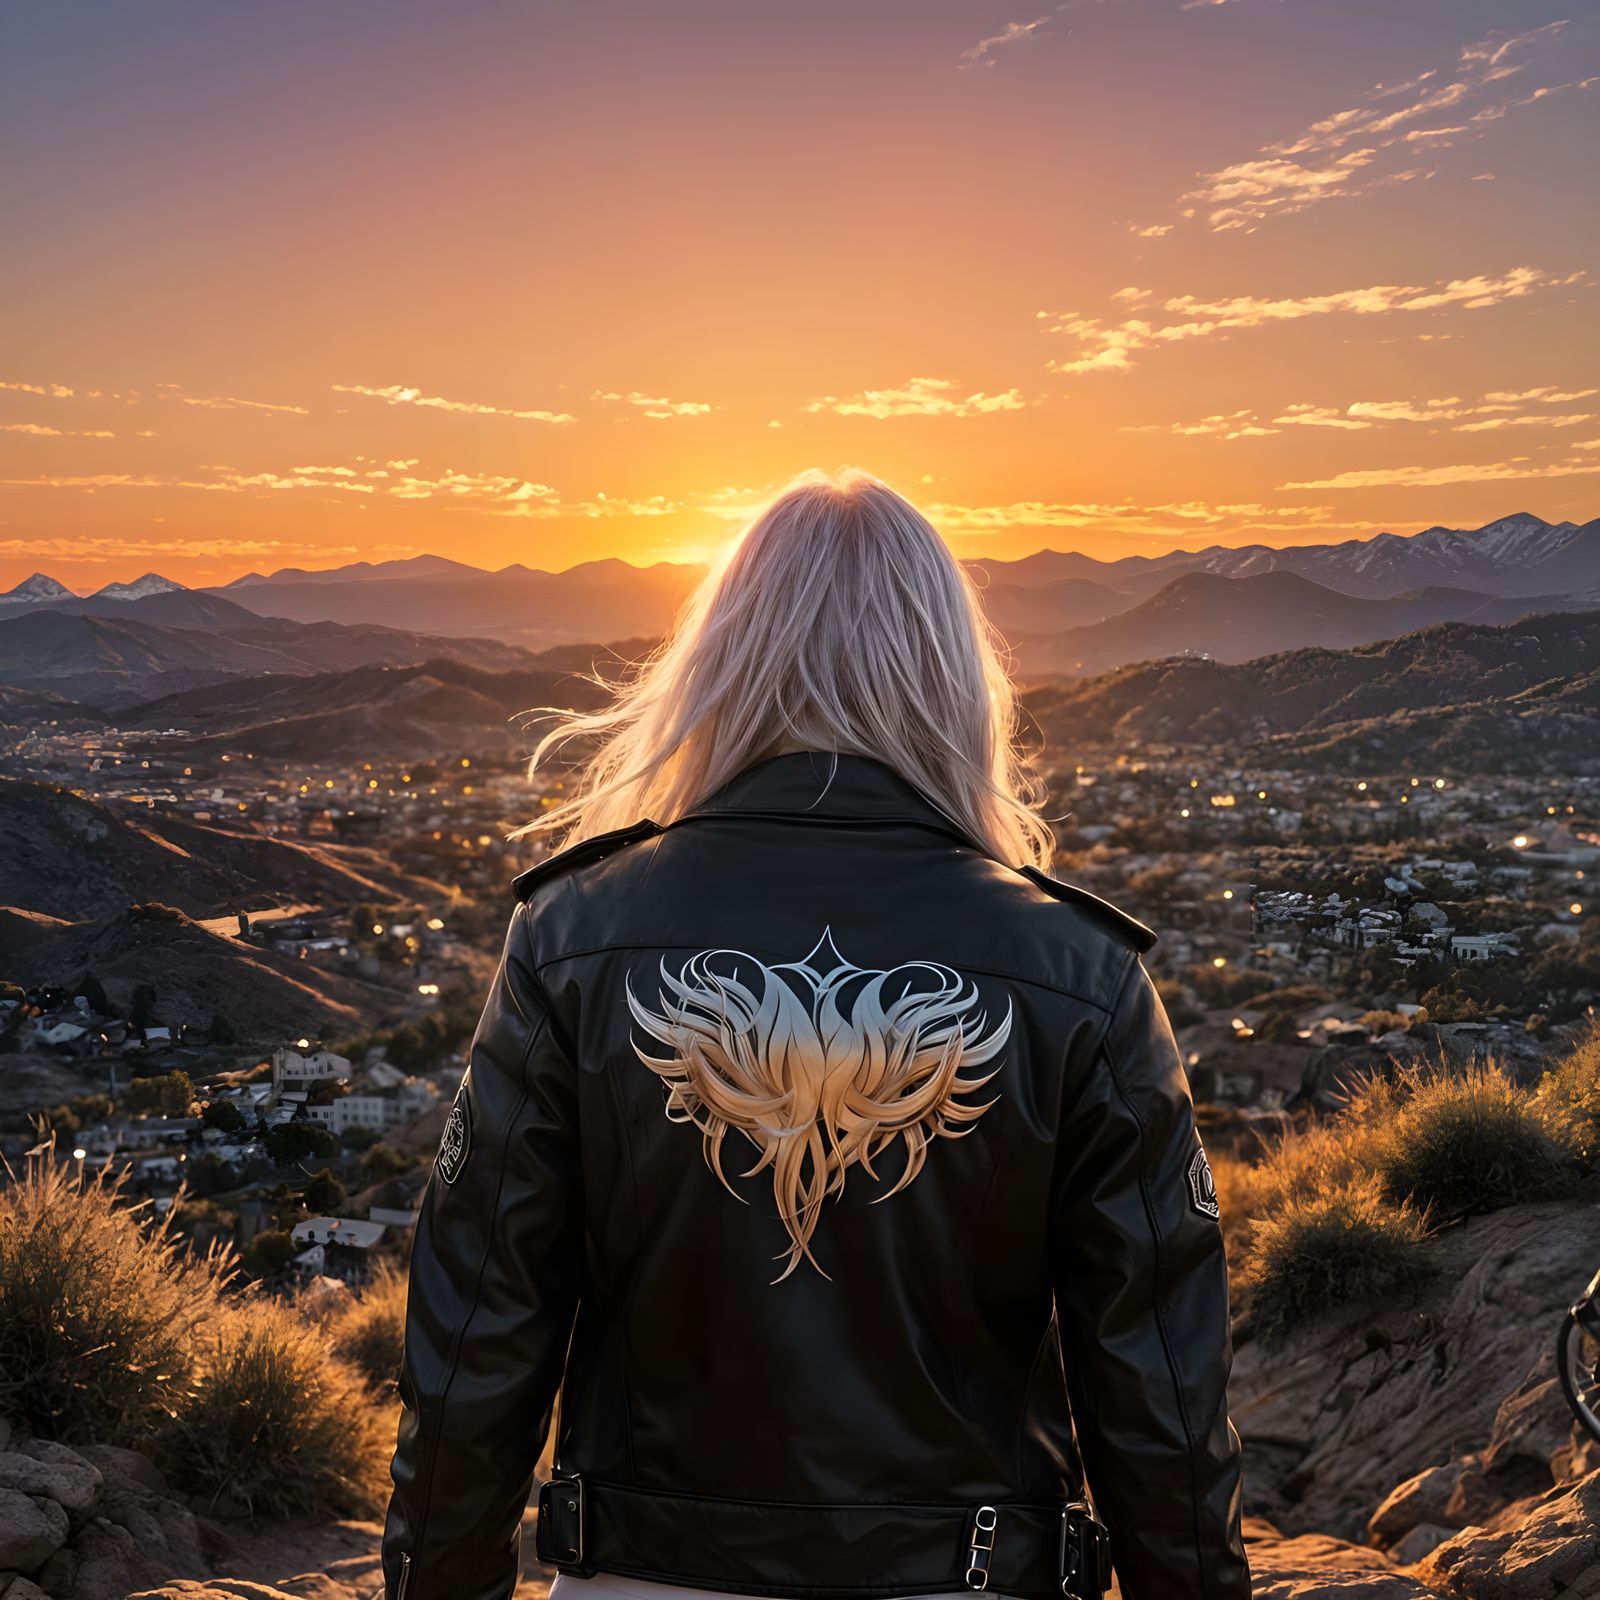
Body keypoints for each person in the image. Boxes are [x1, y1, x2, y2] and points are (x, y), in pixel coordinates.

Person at [381, 468, 1249, 1600]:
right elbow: (1161, 1393)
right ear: (951, 674)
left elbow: (477, 1337)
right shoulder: (1074, 971)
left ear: (722, 658)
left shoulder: (577, 938)